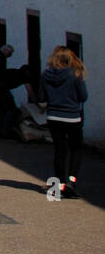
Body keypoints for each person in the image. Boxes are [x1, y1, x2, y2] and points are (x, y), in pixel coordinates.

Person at [41, 47, 88, 199]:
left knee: (60, 150)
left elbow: (41, 96)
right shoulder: (75, 74)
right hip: (72, 117)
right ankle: (71, 181)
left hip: (53, 117)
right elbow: (83, 96)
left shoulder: (45, 74)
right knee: (76, 149)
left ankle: (59, 184)